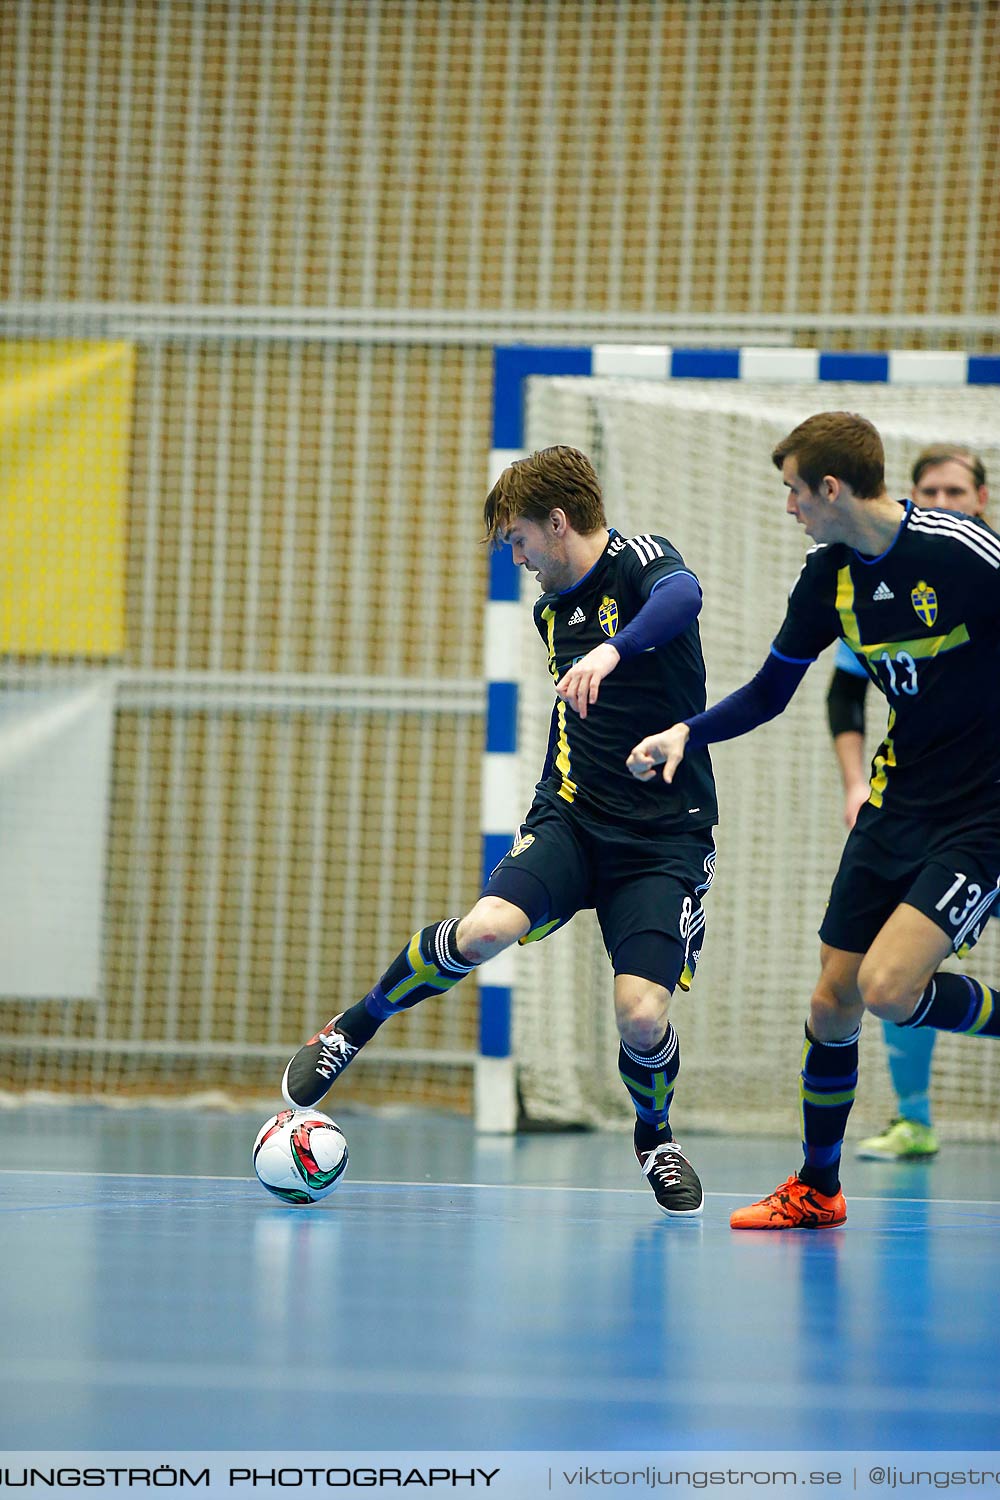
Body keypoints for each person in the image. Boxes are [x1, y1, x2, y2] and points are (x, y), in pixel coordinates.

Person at [282, 445, 719, 1216]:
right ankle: (352, 1028)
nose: (516, 558)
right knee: (482, 932)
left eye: (518, 540)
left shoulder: (644, 562)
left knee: (642, 1015)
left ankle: (656, 1137)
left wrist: (615, 651)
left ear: (557, 524)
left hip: (664, 840)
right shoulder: (554, 608)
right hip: (574, 819)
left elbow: (683, 597)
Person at [627, 412, 1000, 1230]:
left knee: (889, 989)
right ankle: (817, 1187)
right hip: (896, 804)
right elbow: (769, 692)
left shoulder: (963, 553)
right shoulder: (828, 578)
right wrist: (687, 731)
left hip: (983, 813)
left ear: (831, 488)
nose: (788, 505)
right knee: (834, 1001)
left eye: (794, 490)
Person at [826, 446, 990, 1162]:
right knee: (887, 966)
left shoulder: (983, 574)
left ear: (981, 500)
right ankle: (915, 1118)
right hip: (929, 810)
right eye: (930, 490)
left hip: (987, 809)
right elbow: (842, 693)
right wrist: (855, 784)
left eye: (957, 489)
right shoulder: (873, 587)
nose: (944, 500)